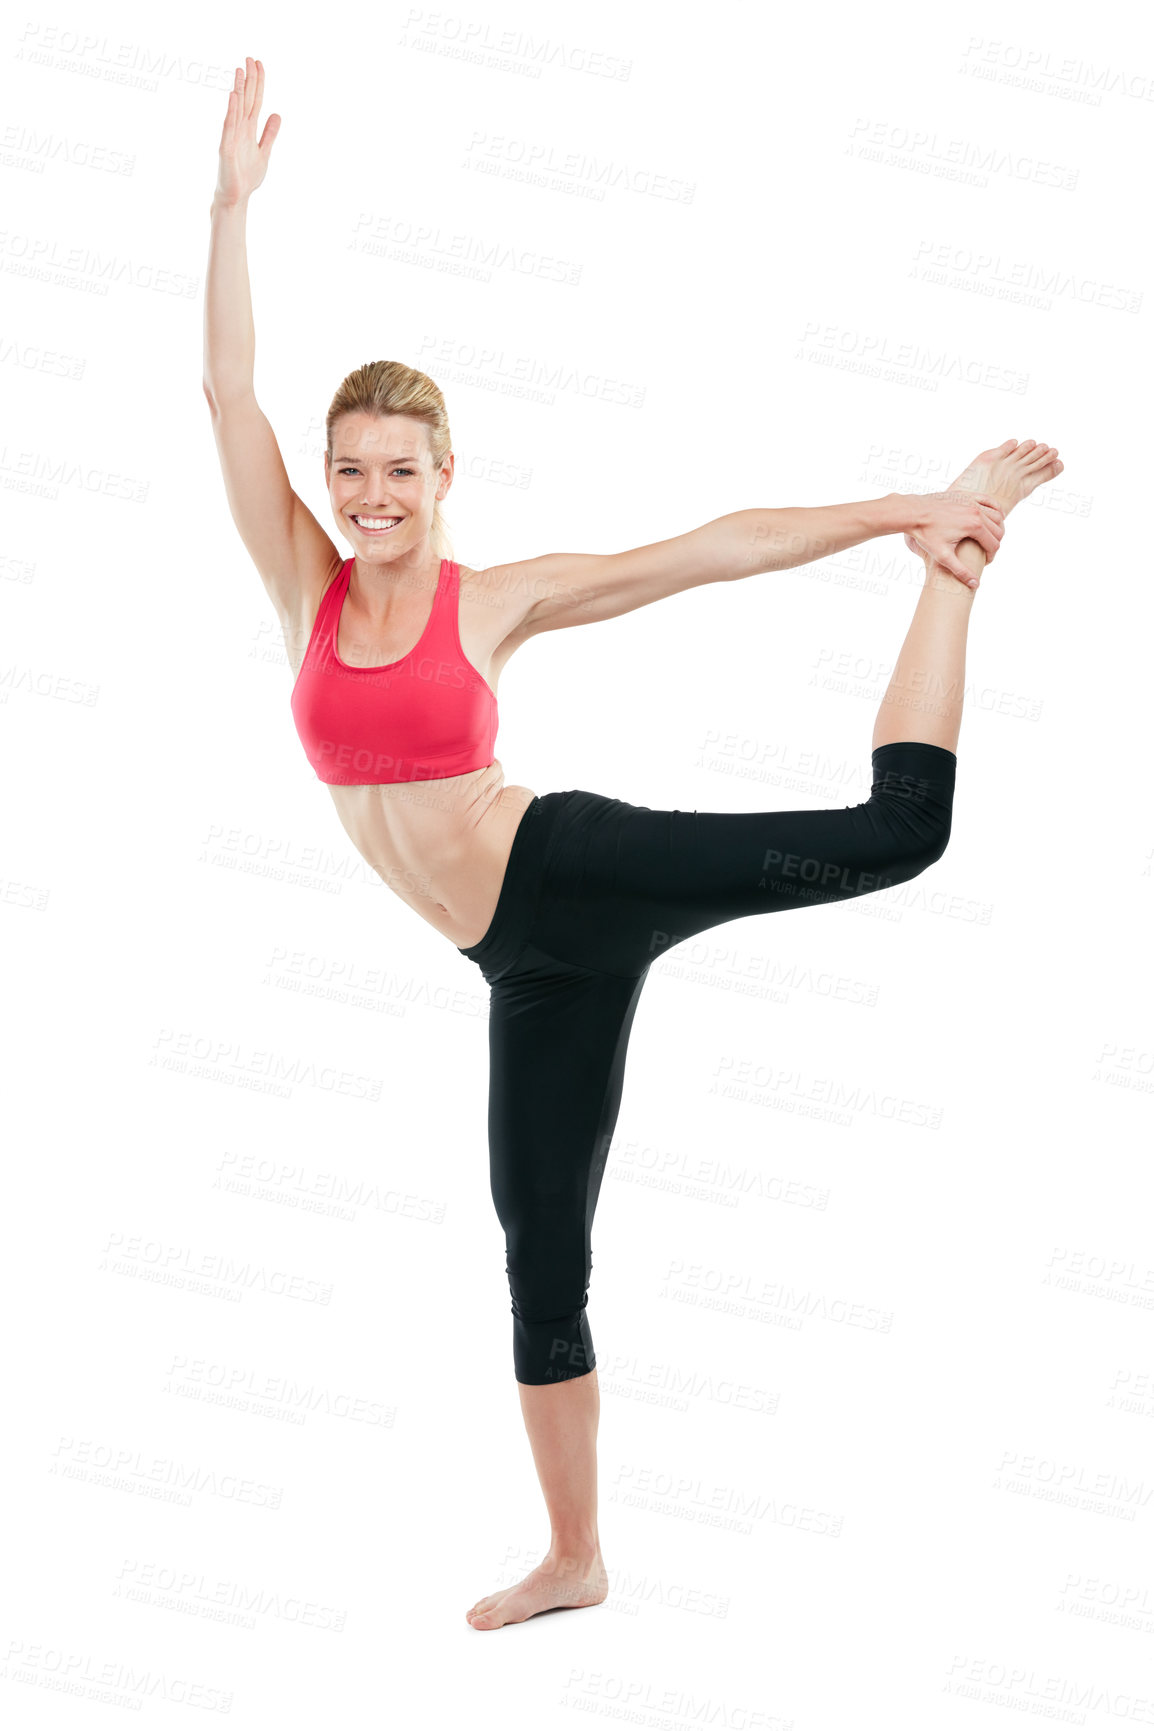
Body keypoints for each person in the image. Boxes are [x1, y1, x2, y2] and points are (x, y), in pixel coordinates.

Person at [204, 58, 1063, 1631]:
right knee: (540, 1254)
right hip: (520, 969)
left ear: (444, 478)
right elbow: (224, 397)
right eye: (350, 470)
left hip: (574, 871)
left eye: (401, 469)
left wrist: (905, 515)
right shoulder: (301, 589)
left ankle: (962, 570)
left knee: (896, 837)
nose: (371, 492)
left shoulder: (494, 598)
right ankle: (575, 1556)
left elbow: (700, 554)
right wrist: (230, 210)